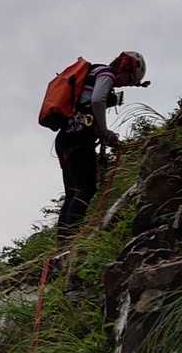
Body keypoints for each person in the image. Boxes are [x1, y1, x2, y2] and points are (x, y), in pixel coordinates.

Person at [54, 51, 146, 241]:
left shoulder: (91, 75)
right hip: (80, 138)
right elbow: (97, 100)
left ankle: (62, 241)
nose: (124, 84)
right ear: (125, 68)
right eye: (129, 80)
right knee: (86, 188)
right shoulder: (106, 73)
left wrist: (103, 134)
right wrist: (104, 131)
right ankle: (70, 239)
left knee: (72, 192)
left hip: (65, 138)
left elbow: (88, 107)